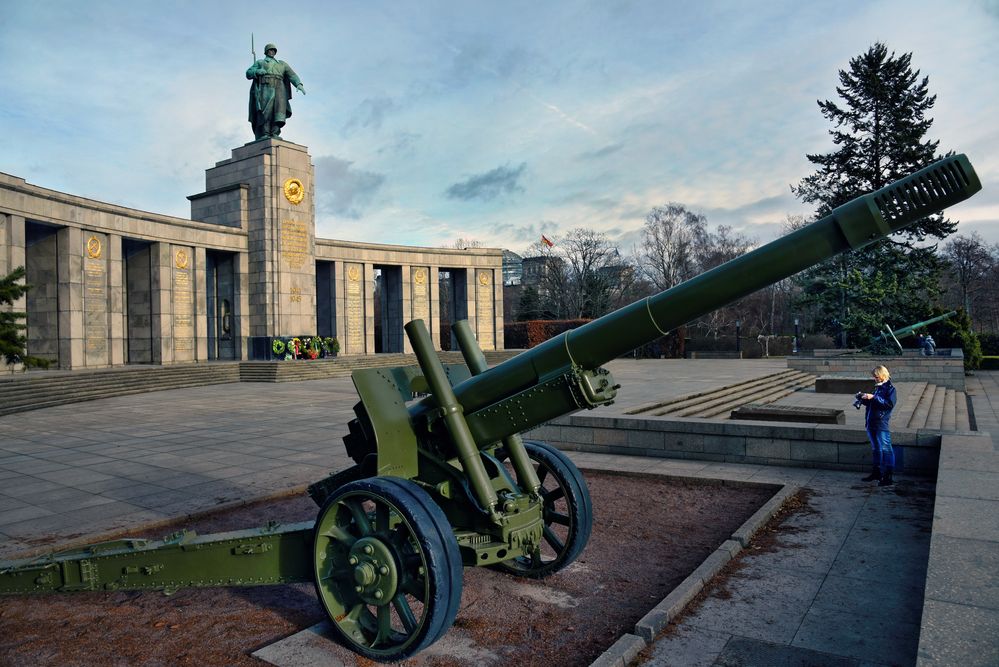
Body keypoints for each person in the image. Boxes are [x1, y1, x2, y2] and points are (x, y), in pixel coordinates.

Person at [246, 44, 306, 140]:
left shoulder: (282, 64)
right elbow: (248, 73)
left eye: (274, 50)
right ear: (266, 51)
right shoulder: (260, 62)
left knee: (279, 111)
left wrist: (299, 84)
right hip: (266, 87)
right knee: (266, 111)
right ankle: (264, 133)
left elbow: (292, 75)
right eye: (270, 50)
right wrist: (257, 72)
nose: (272, 52)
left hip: (280, 88)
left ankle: (275, 132)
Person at [858, 365, 897, 486]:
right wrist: (863, 398)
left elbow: (888, 404)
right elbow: (873, 404)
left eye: (876, 375)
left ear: (882, 375)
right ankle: (877, 472)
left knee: (886, 448)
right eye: (874, 376)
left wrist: (873, 397)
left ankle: (888, 476)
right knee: (876, 448)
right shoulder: (878, 388)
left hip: (881, 423)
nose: (874, 378)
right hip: (871, 422)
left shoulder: (890, 389)